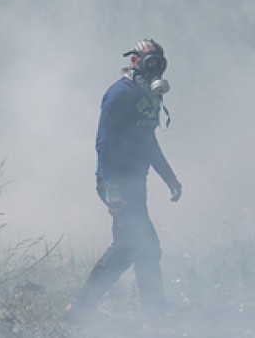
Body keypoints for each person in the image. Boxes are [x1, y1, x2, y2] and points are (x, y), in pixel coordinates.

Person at [65, 38, 182, 330]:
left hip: (135, 183)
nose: (154, 69)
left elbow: (148, 142)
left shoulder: (150, 96)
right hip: (116, 182)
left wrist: (169, 177)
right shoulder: (119, 94)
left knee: (126, 249)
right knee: (146, 248)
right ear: (134, 62)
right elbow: (102, 141)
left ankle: (80, 307)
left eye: (159, 63)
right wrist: (109, 188)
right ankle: (156, 319)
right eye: (149, 62)